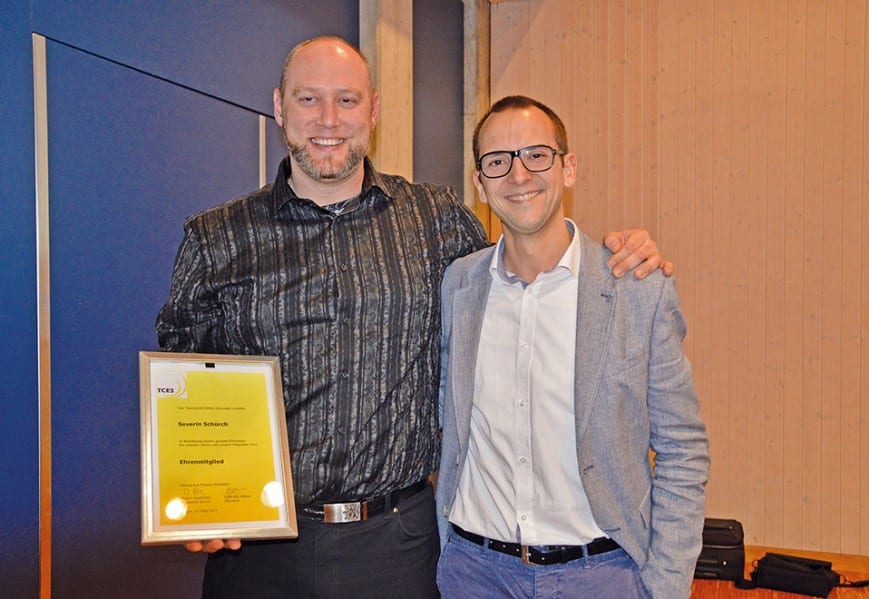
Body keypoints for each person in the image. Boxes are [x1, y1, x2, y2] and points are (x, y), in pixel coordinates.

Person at [156, 37, 670, 599]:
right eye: (309, 100)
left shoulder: (437, 220)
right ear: (279, 106)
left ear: (374, 111)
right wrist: (197, 497)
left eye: (347, 101)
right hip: (259, 554)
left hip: (399, 547)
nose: (329, 120)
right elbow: (186, 377)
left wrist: (618, 256)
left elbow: (523, 274)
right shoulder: (215, 237)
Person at [434, 95, 710, 599]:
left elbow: (682, 448)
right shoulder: (458, 286)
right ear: (479, 183)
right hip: (474, 574)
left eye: (537, 155)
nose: (519, 176)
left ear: (568, 168)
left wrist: (665, 586)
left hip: (603, 575)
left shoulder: (636, 286)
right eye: (498, 162)